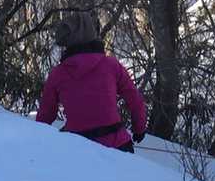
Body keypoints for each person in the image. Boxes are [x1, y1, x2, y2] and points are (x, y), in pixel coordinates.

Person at [35, 10, 146, 152]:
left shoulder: (57, 74)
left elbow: (45, 116)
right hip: (118, 146)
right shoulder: (111, 65)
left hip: (78, 149)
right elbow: (135, 100)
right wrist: (139, 128)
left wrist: (37, 143)